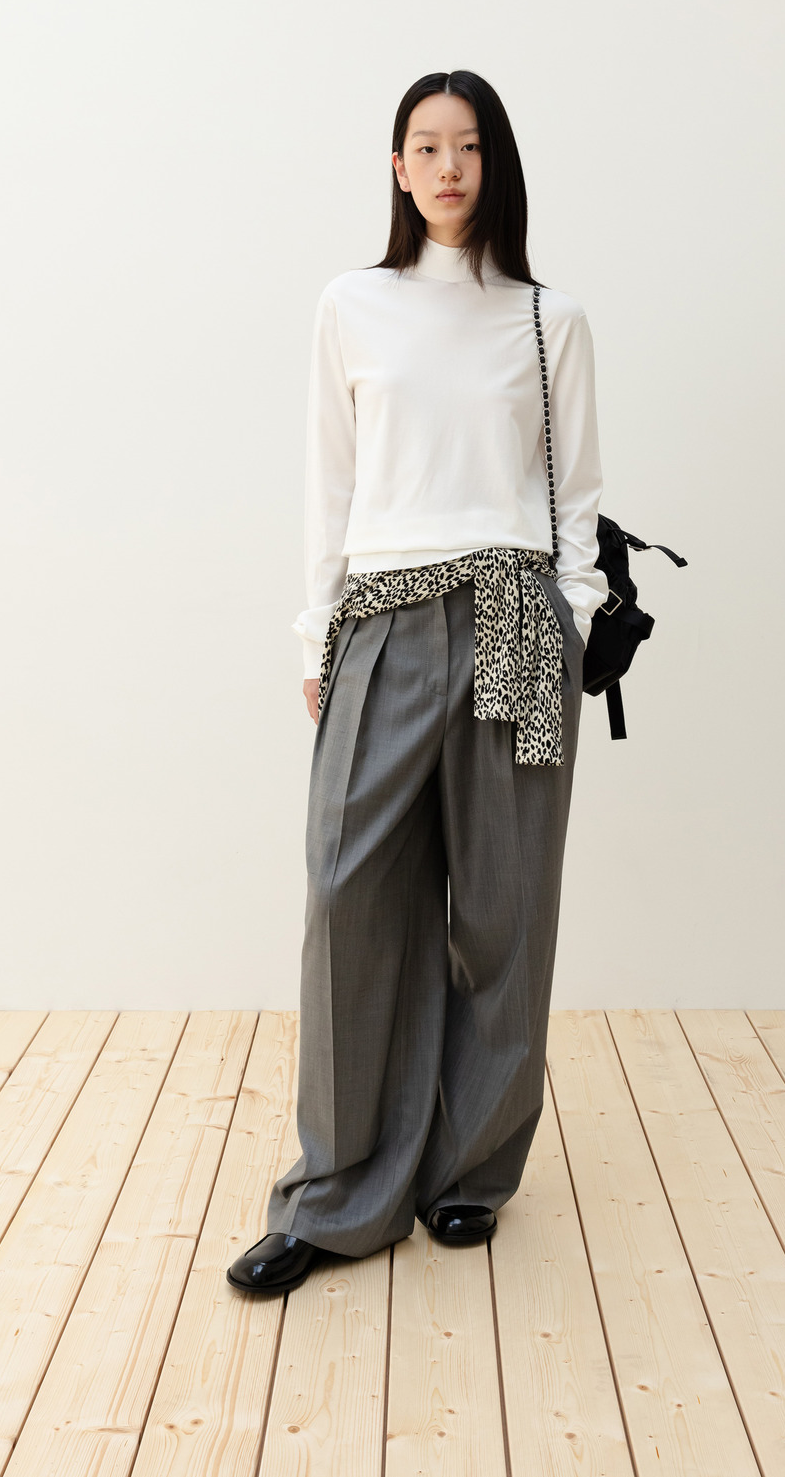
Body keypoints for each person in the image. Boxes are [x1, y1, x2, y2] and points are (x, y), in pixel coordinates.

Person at [227, 69, 607, 1297]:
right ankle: (339, 1193)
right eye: (426, 146)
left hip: (515, 617)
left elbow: (579, 495)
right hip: (382, 622)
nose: (448, 167)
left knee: (502, 911)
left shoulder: (549, 319)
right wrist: (316, 638)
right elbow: (327, 484)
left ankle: (470, 1171)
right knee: (350, 895)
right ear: (397, 168)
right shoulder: (353, 305)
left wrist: (570, 625)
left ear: (497, 163)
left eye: (469, 146)